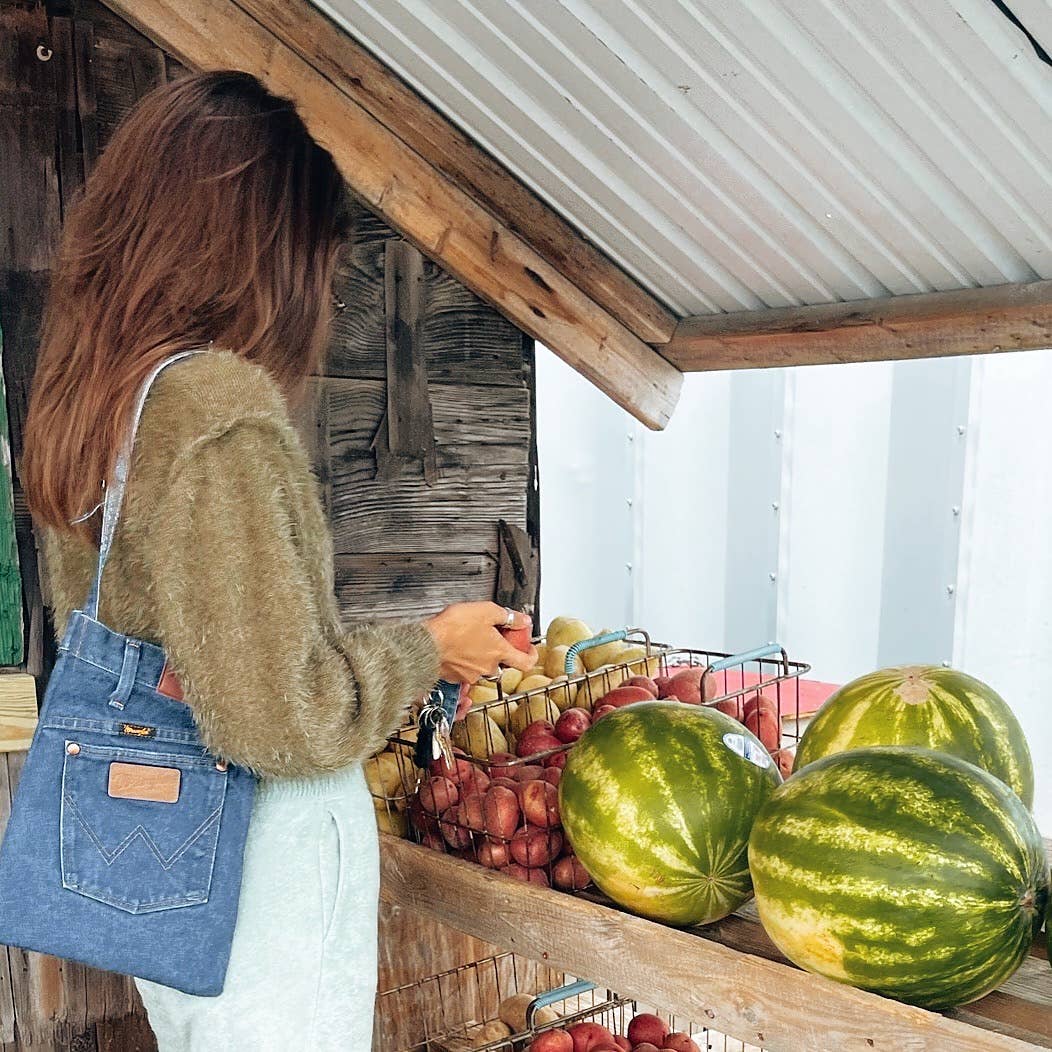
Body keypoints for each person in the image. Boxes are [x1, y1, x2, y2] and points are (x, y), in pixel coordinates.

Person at [20, 70, 537, 1050]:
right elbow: (280, 719)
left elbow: (191, 639)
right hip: (257, 855)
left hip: (150, 839)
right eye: (317, 259)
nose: (322, 290)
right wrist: (432, 646)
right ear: (261, 251)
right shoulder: (216, 412)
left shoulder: (100, 403)